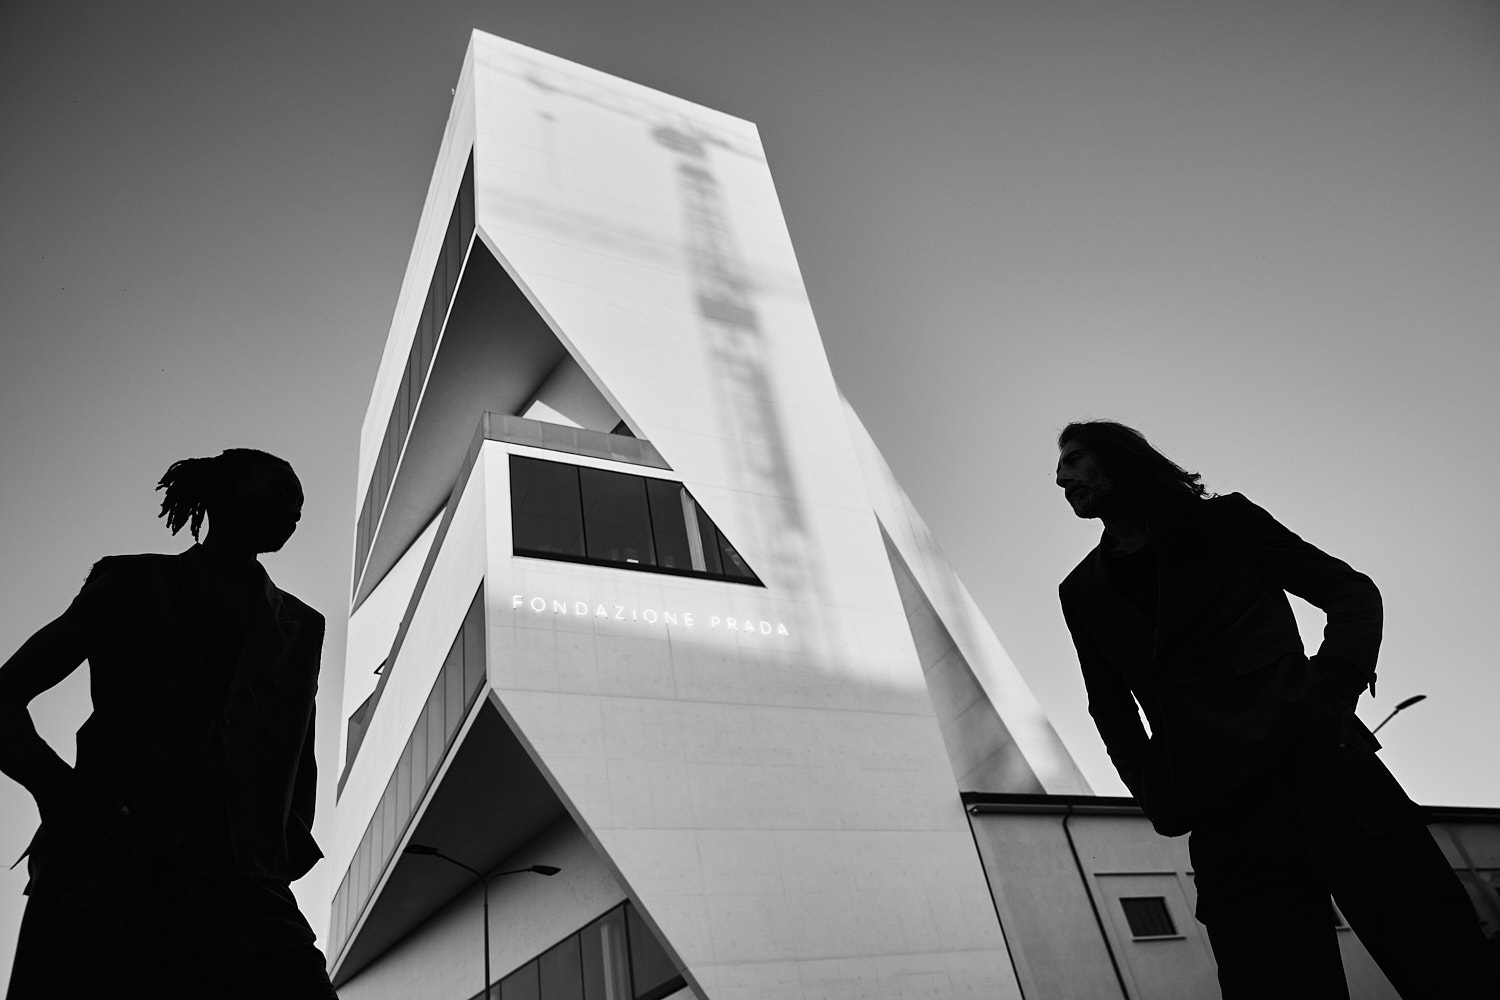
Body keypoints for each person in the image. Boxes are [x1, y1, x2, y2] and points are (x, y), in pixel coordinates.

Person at [1054, 420, 1494, 999]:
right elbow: (1108, 705)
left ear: (1120, 459)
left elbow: (1351, 592)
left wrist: (1333, 684)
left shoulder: (1226, 522)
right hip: (1223, 812)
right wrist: (1154, 789)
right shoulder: (1080, 590)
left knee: (1442, 960)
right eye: (1061, 468)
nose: (1062, 478)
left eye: (1076, 460)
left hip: (1323, 769)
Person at [0, 449, 337, 999]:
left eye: (299, 501)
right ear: (223, 494)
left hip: (249, 887)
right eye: (277, 490)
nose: (294, 508)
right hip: (114, 866)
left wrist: (279, 847)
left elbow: (300, 748)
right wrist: (62, 794)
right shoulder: (131, 582)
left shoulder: (303, 626)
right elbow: (5, 697)